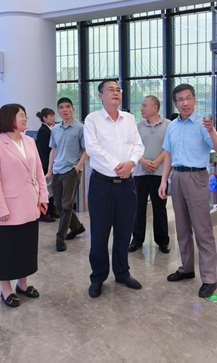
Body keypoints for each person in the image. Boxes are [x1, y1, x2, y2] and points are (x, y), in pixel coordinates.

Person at [158, 84, 217, 299]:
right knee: (181, 227)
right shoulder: (172, 126)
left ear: (195, 100)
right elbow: (168, 155)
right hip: (177, 177)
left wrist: (211, 131)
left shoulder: (203, 124)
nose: (185, 103)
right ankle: (186, 268)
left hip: (197, 177)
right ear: (175, 103)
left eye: (188, 98)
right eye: (180, 99)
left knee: (202, 229)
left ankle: (209, 278)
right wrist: (163, 181)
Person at [84, 79, 145, 298]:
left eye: (118, 89)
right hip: (102, 184)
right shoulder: (92, 119)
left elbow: (138, 145)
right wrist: (117, 166)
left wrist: (131, 163)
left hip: (127, 184)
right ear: (100, 96)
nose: (116, 92)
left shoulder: (129, 119)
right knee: (99, 234)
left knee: (124, 232)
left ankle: (122, 272)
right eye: (110, 90)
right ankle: (98, 276)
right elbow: (92, 148)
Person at [0, 104, 48, 308]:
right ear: (8, 118)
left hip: (30, 204)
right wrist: (0, 208)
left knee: (26, 247)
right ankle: (6, 289)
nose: (25, 118)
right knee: (7, 250)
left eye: (25, 115)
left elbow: (39, 172)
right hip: (8, 208)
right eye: (21, 115)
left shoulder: (29, 141)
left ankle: (23, 284)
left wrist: (43, 197)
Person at [128, 95, 171, 254]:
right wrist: (144, 161)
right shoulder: (138, 126)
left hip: (160, 174)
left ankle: (162, 241)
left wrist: (157, 161)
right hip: (140, 172)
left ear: (155, 107)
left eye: (144, 105)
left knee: (159, 208)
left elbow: (169, 147)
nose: (141, 109)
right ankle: (137, 240)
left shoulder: (168, 125)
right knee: (138, 207)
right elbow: (133, 147)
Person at [45, 98, 87, 252]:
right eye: (61, 107)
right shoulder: (55, 129)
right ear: (58, 110)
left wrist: (77, 167)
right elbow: (53, 149)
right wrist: (49, 170)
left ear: (73, 109)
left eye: (67, 107)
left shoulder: (80, 128)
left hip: (71, 171)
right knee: (58, 204)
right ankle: (77, 227)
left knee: (66, 205)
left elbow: (86, 150)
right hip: (57, 170)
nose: (64, 110)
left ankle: (60, 237)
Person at [36, 108, 57, 222]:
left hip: (49, 163)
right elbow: (45, 150)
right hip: (45, 164)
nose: (54, 118)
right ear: (44, 118)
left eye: (54, 116)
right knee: (46, 188)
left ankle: (52, 210)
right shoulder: (43, 131)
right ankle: (44, 213)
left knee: (50, 188)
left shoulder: (50, 129)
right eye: (51, 116)